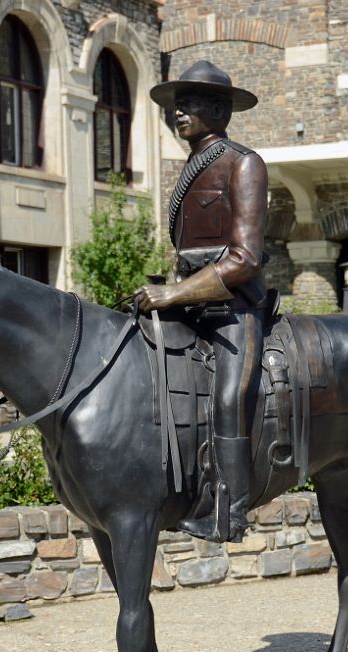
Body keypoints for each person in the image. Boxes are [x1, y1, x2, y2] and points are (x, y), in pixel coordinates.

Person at [134, 60, 268, 544]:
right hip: (188, 308)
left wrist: (174, 292)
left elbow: (245, 258)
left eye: (189, 103)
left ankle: (229, 511)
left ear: (219, 109)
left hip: (233, 311)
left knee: (229, 398)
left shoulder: (243, 163)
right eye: (176, 105)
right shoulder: (191, 167)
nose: (179, 112)